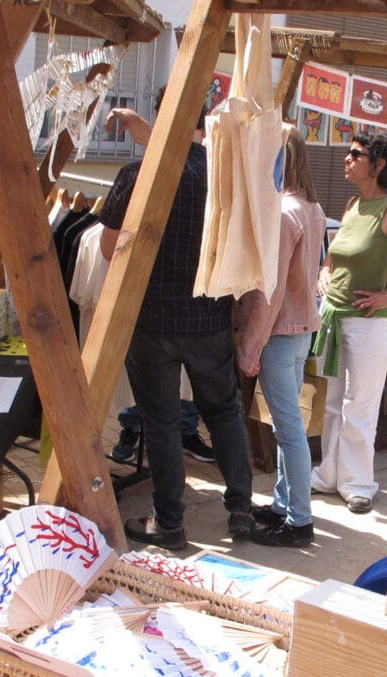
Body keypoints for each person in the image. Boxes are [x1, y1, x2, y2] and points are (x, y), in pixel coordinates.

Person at [98, 94, 255, 550]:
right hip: (208, 316)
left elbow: (110, 251)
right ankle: (241, 509)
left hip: (153, 318)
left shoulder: (138, 174)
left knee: (161, 421)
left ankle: (170, 522)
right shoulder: (223, 178)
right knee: (224, 412)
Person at [311, 130, 387, 514]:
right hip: (334, 319)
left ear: (378, 165)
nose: (347, 159)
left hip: (368, 323)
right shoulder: (351, 205)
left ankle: (358, 483)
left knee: (360, 406)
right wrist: (323, 274)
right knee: (332, 403)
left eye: (356, 154)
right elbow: (334, 257)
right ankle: (329, 475)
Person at [234, 125, 326, 547]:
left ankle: (300, 521)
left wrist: (251, 344)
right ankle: (284, 505)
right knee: (290, 427)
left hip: (279, 332)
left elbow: (268, 292)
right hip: (300, 329)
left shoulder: (283, 213)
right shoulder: (313, 208)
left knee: (289, 431)